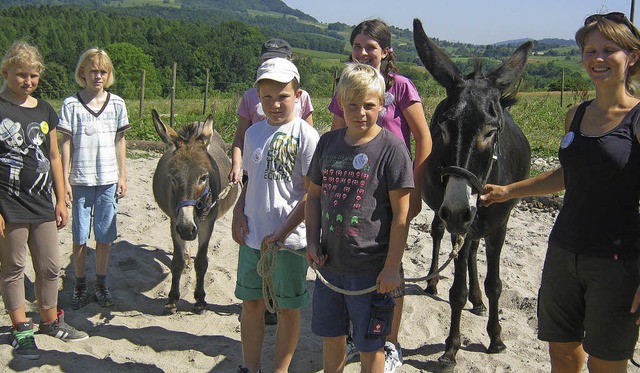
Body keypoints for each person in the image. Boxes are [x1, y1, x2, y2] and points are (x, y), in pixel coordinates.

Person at [480, 12, 640, 373]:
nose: (597, 58)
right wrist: (508, 190)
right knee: (563, 355)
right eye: (589, 50)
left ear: (632, 56)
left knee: (606, 363)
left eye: (609, 49)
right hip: (563, 252)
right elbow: (568, 174)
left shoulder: (637, 118)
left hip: (616, 263)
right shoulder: (577, 115)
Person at [329, 19, 432, 369]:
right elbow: (335, 140)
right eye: (357, 46)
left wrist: (413, 188)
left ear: (386, 51)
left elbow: (423, 138)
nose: (362, 53)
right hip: (357, 187)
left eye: (370, 47)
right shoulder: (343, 89)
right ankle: (358, 334)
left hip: (391, 188)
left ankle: (389, 341)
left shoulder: (401, 87)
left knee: (391, 264)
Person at [307, 63, 414, 372]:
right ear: (340, 103)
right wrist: (312, 242)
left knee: (371, 346)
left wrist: (392, 267)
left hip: (371, 272)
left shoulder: (392, 150)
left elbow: (401, 215)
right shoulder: (328, 143)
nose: (361, 113)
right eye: (352, 105)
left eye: (369, 105)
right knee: (333, 339)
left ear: (382, 104)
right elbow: (313, 196)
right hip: (329, 267)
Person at [0, 40, 89, 360]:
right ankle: (20, 327)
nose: (28, 81)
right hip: (8, 204)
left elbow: (54, 156)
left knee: (50, 266)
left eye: (34, 76)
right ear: (5, 72)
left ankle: (50, 321)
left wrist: (61, 197)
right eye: (21, 75)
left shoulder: (44, 110)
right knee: (13, 267)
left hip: (42, 203)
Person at [232, 57, 319, 373]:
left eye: (283, 96)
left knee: (287, 308)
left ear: (298, 95)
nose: (275, 104)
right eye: (267, 97)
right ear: (258, 98)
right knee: (251, 304)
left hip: (288, 243)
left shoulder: (308, 137)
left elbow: (311, 195)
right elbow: (249, 182)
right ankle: (249, 367)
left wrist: (282, 232)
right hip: (253, 237)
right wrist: (237, 215)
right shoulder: (253, 134)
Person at [58, 47, 130, 310]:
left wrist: (122, 175)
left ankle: (100, 282)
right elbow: (65, 143)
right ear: (82, 73)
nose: (98, 76)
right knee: (79, 237)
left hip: (108, 179)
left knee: (104, 236)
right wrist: (65, 179)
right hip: (80, 179)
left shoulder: (118, 104)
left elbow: (120, 141)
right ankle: (79, 283)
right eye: (93, 71)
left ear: (108, 74)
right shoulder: (71, 104)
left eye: (103, 71)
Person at [229, 38, 314, 185]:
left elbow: (308, 137)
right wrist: (237, 165)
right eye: (267, 60)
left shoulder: (303, 98)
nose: (275, 104)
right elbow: (240, 137)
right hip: (257, 164)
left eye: (279, 59)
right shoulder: (250, 97)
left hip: (288, 168)